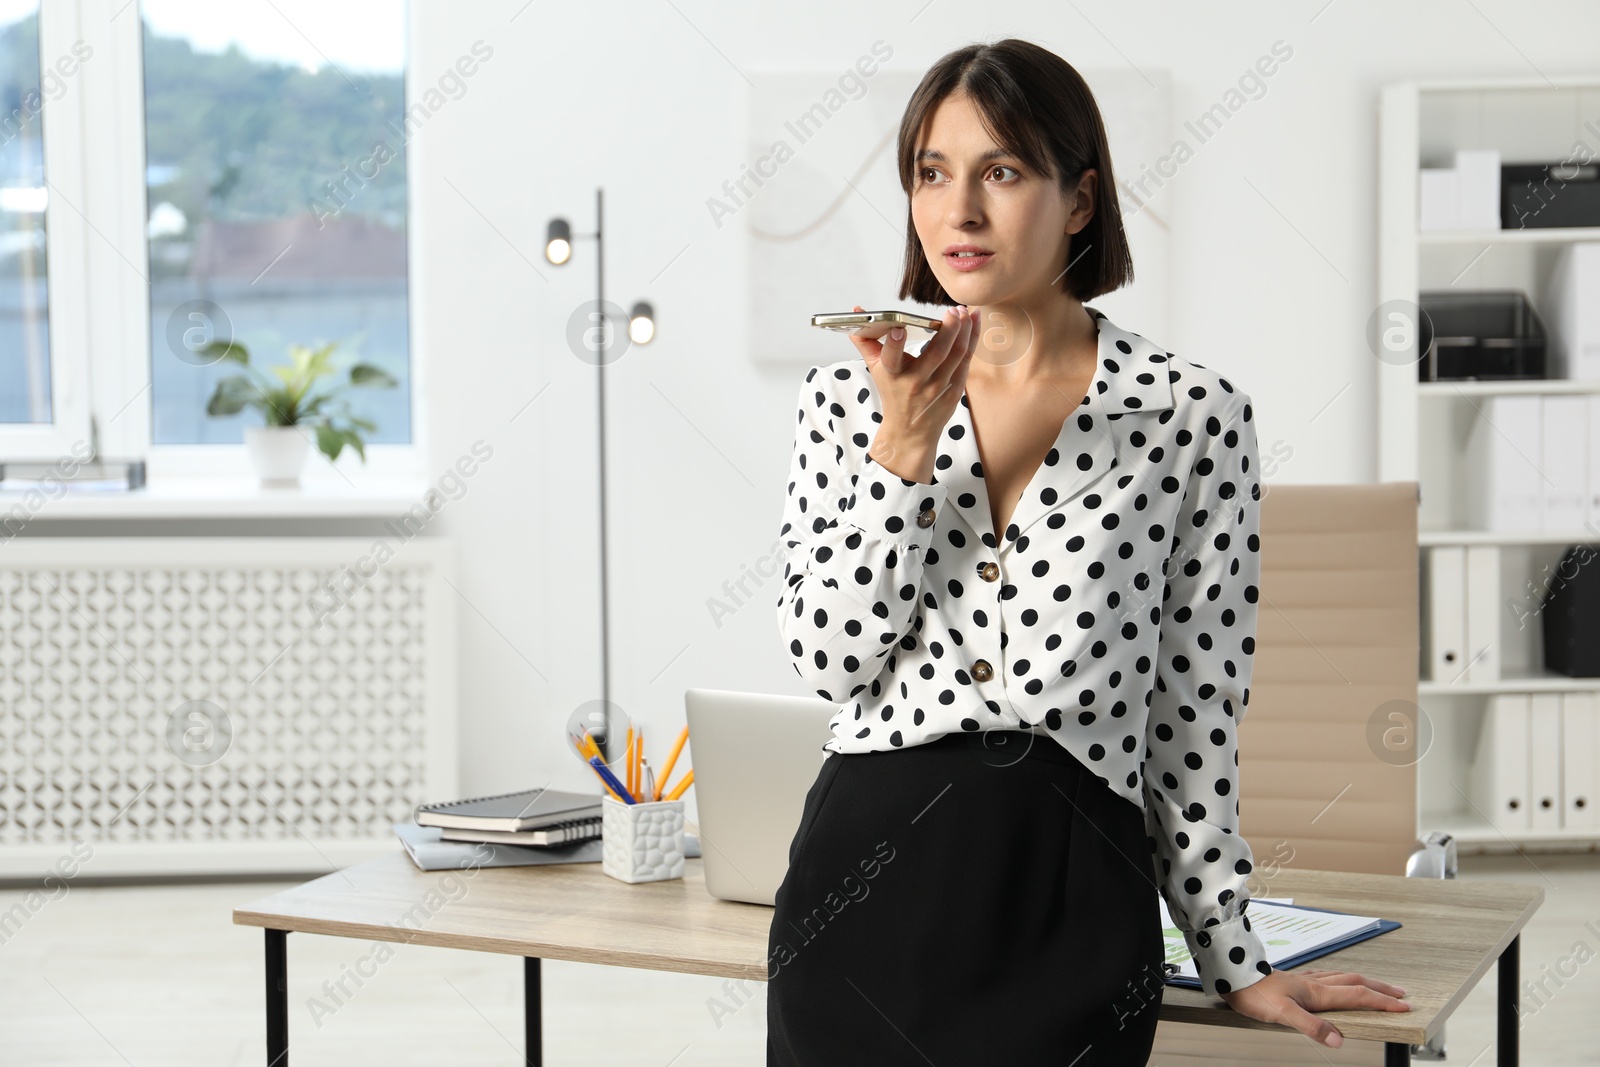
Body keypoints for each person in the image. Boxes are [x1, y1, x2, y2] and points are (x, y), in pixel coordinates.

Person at [766, 38, 1410, 1065]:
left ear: (1078, 200)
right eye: (932, 172)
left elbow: (1195, 714)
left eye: (1003, 170)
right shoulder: (846, 399)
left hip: (1071, 891)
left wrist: (1232, 956)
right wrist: (901, 453)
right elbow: (823, 658)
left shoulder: (1190, 415)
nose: (959, 210)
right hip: (861, 890)